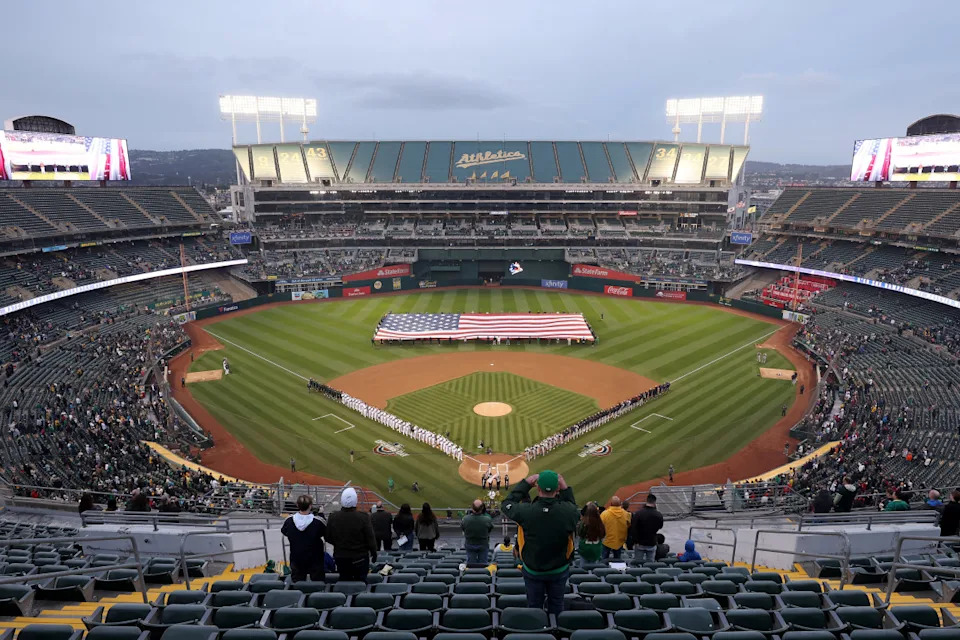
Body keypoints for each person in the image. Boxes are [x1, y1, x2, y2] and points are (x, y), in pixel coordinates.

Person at [501, 470, 579, 616]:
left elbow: (506, 504)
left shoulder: (526, 511)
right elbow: (572, 507)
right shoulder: (569, 512)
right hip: (559, 569)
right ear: (557, 489)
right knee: (557, 605)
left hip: (533, 570)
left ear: (537, 488)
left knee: (534, 606)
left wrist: (525, 484)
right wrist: (565, 489)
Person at [325, 488, 377, 581]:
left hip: (341, 558)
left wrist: (340, 544)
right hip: (360, 558)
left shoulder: (333, 517)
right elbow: (370, 539)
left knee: (345, 582)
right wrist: (374, 553)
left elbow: (328, 537)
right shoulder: (363, 517)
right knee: (360, 584)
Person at [280, 494, 327, 582]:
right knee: (318, 582)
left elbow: (284, 531)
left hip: (296, 557)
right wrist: (321, 514)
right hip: (315, 558)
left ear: (297, 505)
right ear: (310, 506)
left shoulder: (289, 520)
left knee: (297, 582)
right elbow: (325, 531)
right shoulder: (318, 521)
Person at [630, 493, 664, 562]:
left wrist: (635, 541)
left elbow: (633, 528)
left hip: (640, 543)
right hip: (651, 542)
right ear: (654, 502)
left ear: (647, 501)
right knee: (650, 564)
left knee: (638, 563)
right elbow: (660, 526)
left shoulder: (638, 513)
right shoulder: (658, 514)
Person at [462, 500, 494, 564]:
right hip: (482, 544)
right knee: (483, 564)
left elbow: (463, 528)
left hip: (470, 543)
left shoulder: (465, 519)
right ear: (482, 508)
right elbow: (490, 530)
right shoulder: (487, 519)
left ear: (472, 508)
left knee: (471, 564)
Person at [600, 496, 630, 560]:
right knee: (617, 560)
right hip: (620, 540)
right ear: (620, 504)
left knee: (604, 560)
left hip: (607, 541)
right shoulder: (626, 514)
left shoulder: (604, 514)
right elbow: (628, 525)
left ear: (611, 503)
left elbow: (600, 526)